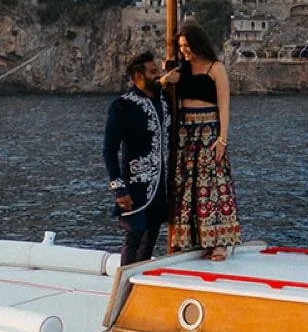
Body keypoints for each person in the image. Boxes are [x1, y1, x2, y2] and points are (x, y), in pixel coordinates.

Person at [164, 22, 242, 259]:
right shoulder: (179, 68)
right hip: (185, 132)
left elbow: (224, 105)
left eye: (187, 45)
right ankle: (188, 239)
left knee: (213, 186)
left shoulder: (215, 68)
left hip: (209, 130)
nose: (184, 50)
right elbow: (162, 93)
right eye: (181, 46)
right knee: (185, 185)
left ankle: (218, 242)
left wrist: (222, 139)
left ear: (197, 43)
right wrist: (167, 79)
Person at [103, 50, 176, 266]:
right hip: (135, 183)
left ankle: (140, 281)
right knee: (134, 236)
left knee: (151, 237)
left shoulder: (163, 101)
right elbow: (109, 150)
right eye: (153, 72)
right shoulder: (122, 106)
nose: (158, 75)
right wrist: (119, 188)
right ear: (138, 77)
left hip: (159, 185)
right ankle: (124, 285)